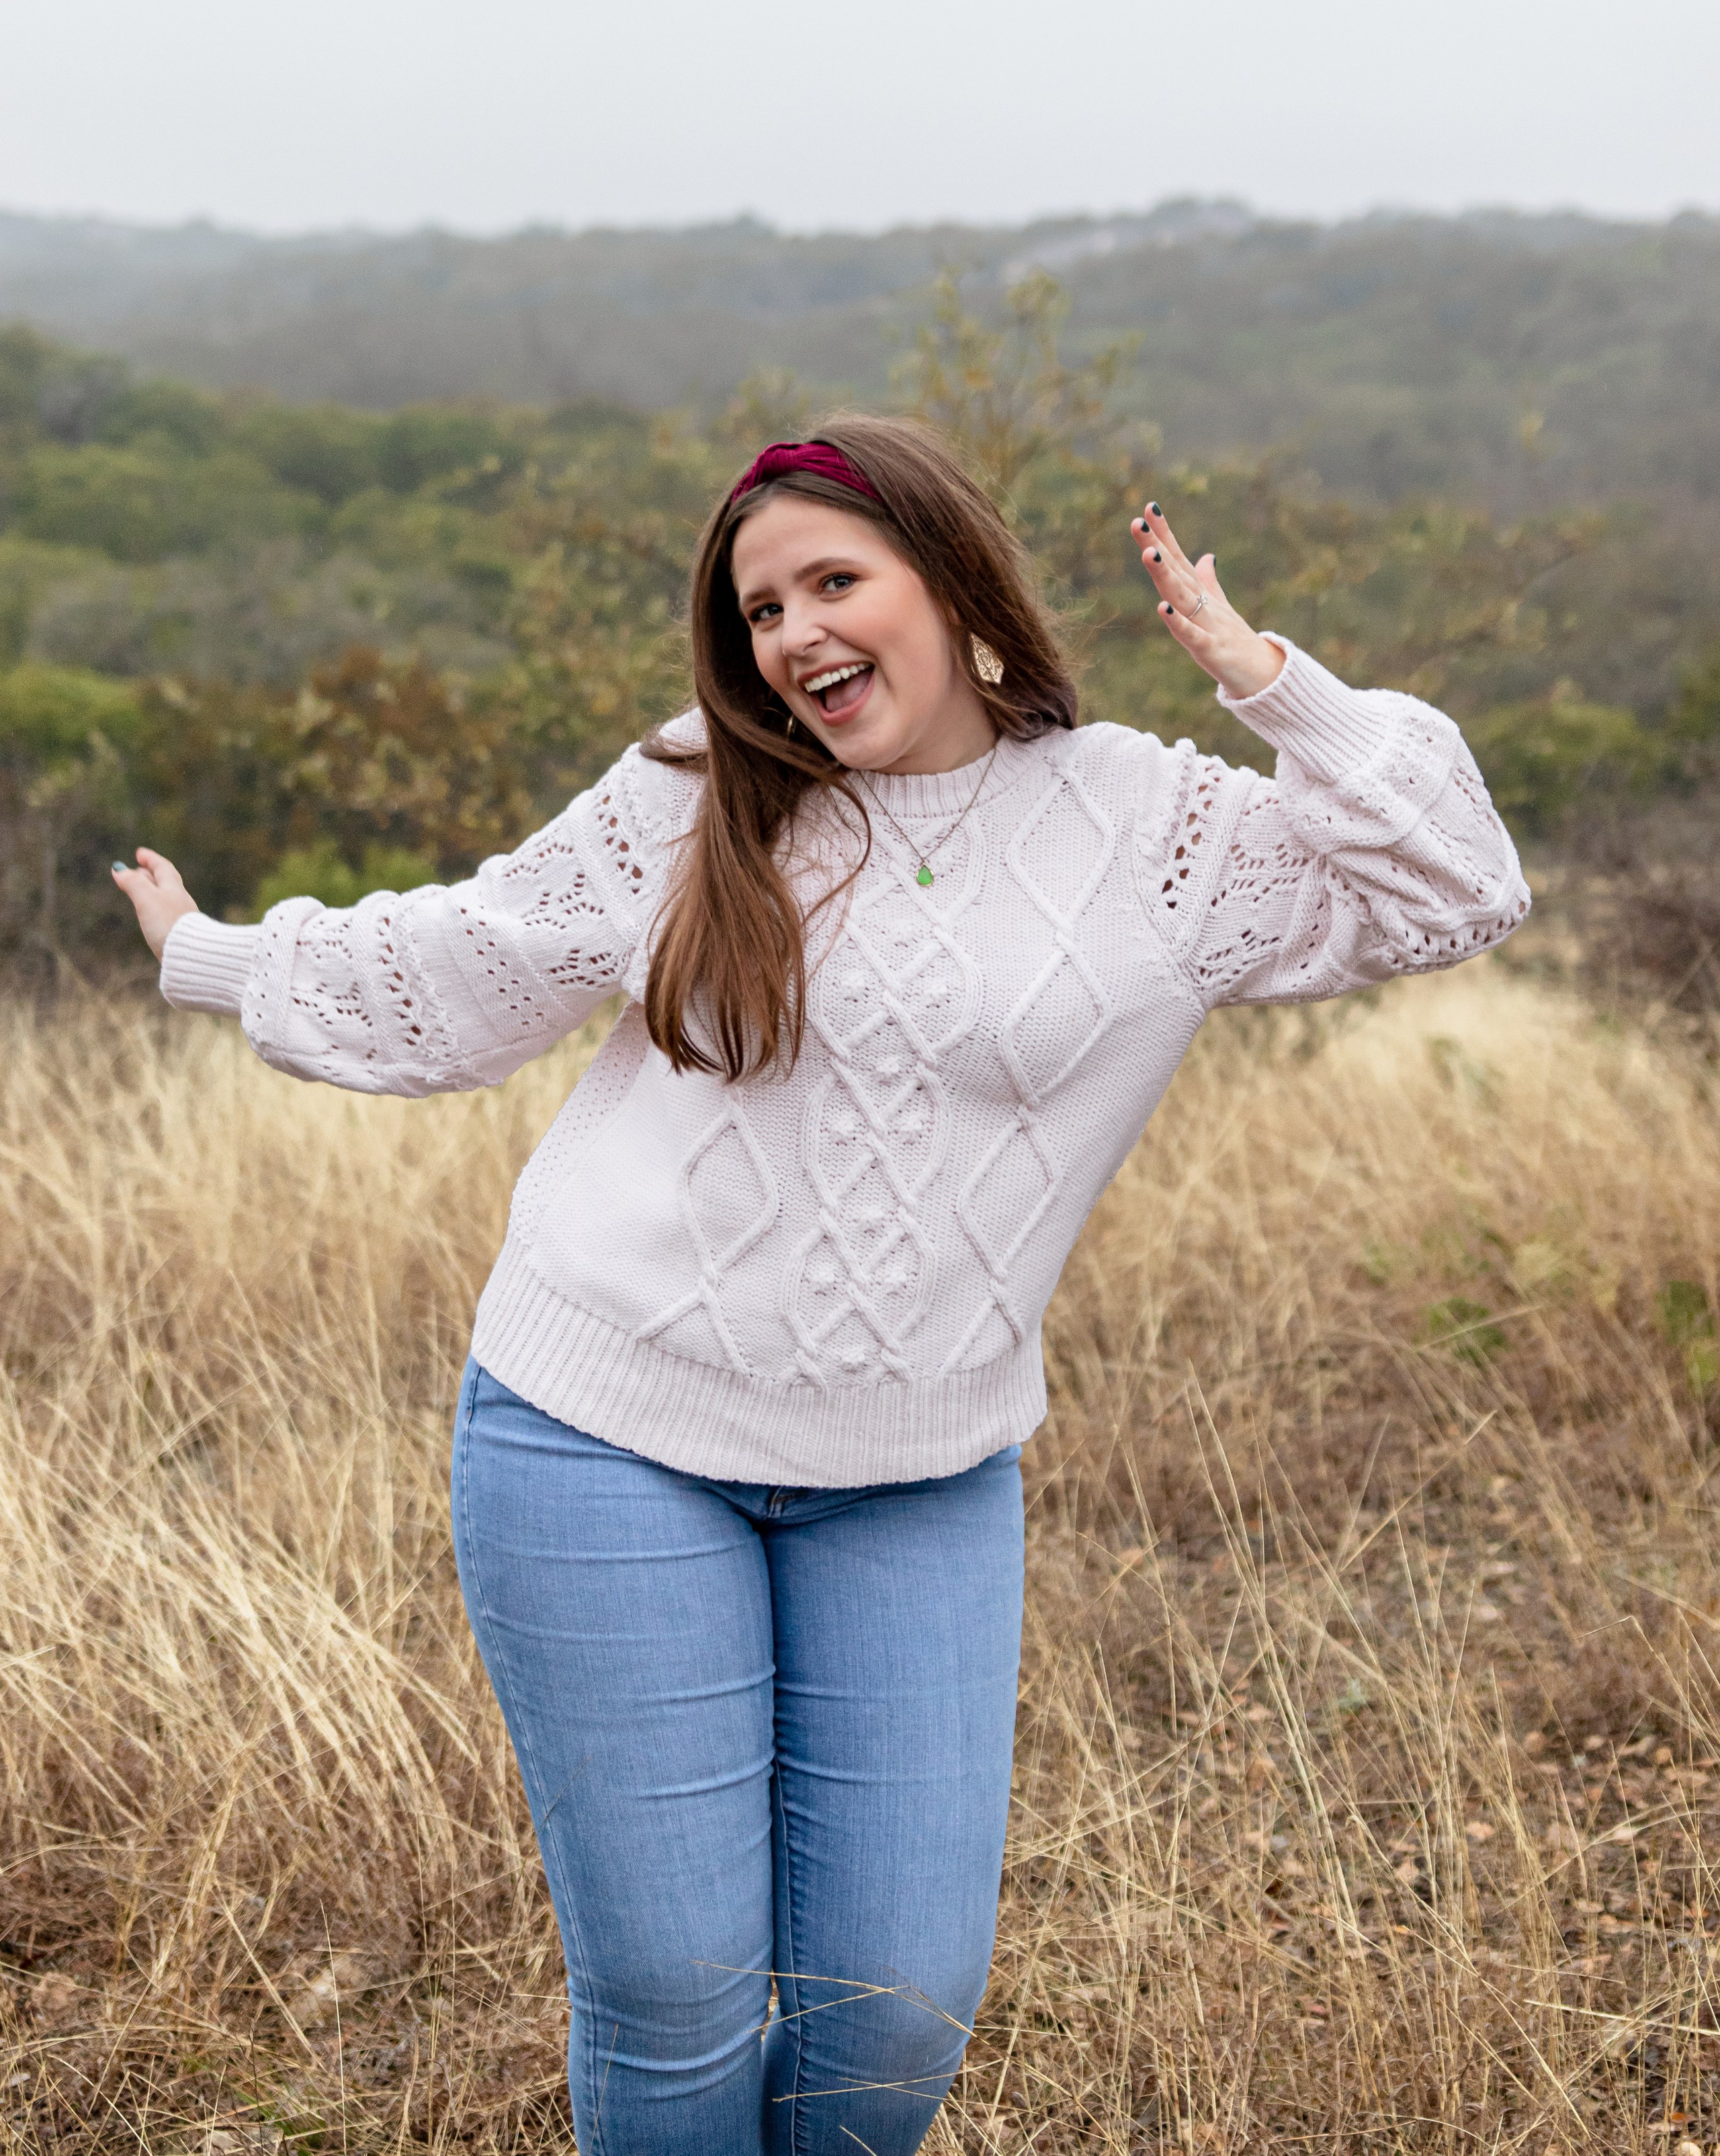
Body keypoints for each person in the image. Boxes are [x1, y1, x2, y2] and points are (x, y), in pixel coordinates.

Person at [118, 415, 1529, 2156]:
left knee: (899, 2016)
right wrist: (215, 955)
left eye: (831, 582)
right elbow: (475, 962)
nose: (792, 635)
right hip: (603, 1433)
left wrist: (1271, 683)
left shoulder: (1147, 822)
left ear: (951, 582)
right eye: (759, 608)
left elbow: (1456, 891)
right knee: (680, 1988)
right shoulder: (698, 793)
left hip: (920, 1478)